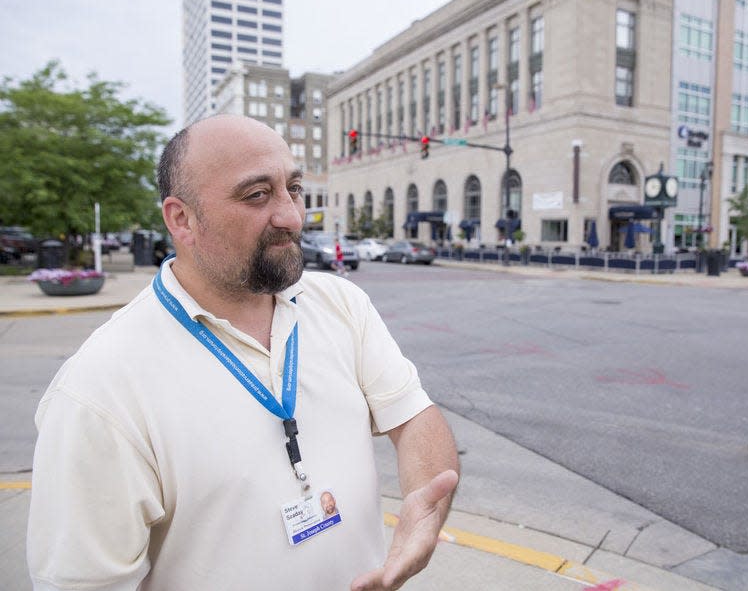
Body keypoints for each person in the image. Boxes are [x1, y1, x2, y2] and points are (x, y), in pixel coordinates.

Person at [27, 114, 459, 591]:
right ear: (182, 219)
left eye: (293, 188)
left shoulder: (341, 304)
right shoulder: (99, 389)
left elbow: (413, 415)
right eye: (257, 195)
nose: (291, 216)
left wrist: (425, 500)